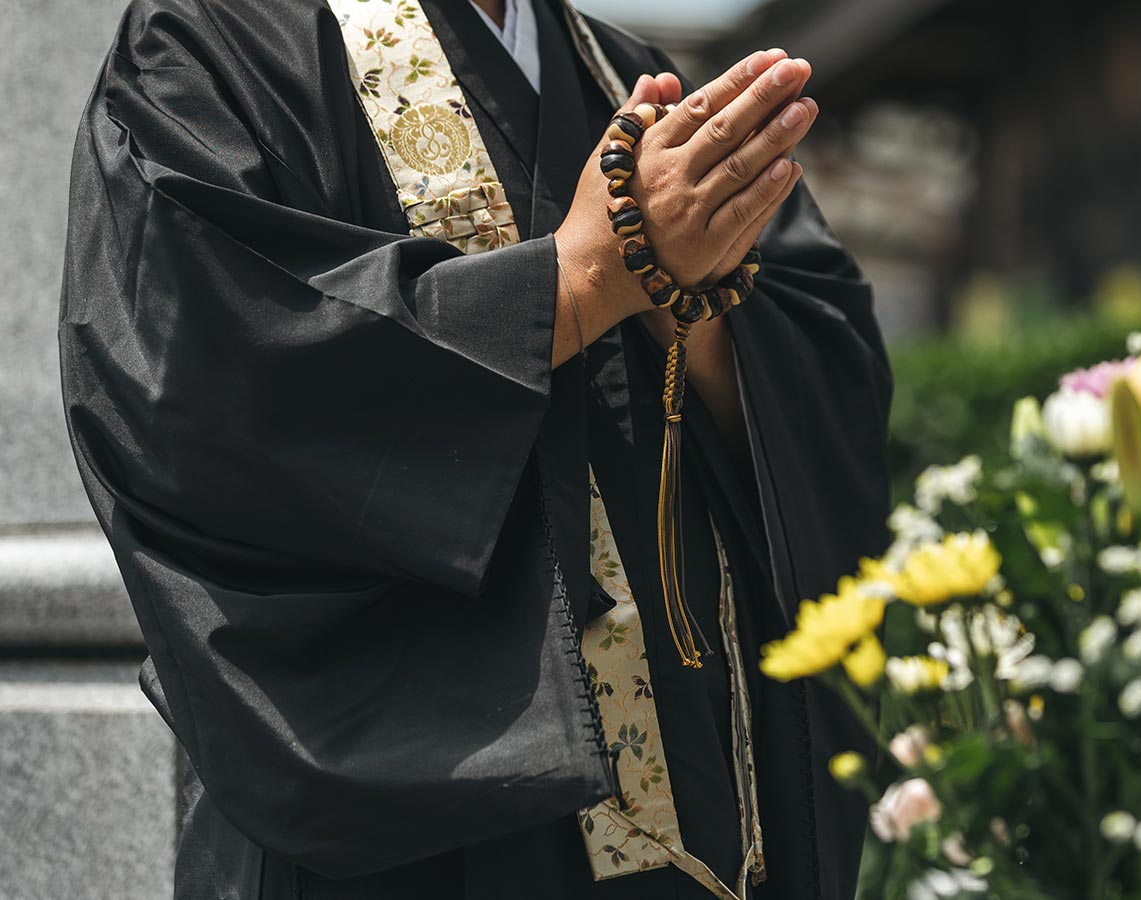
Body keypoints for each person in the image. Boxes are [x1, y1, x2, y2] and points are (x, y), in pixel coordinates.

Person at [57, 0, 891, 897]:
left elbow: (830, 388)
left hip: (703, 800)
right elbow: (207, 369)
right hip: (426, 814)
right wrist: (583, 276)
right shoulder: (219, 43)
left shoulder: (635, 77)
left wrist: (688, 290)